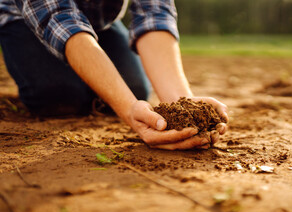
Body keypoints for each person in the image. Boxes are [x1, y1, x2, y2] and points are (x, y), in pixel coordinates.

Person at [0, 0, 228, 150]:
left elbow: (154, 14)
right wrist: (126, 108)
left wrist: (182, 103)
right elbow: (60, 19)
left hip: (101, 22)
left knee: (135, 90)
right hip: (26, 20)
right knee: (61, 95)